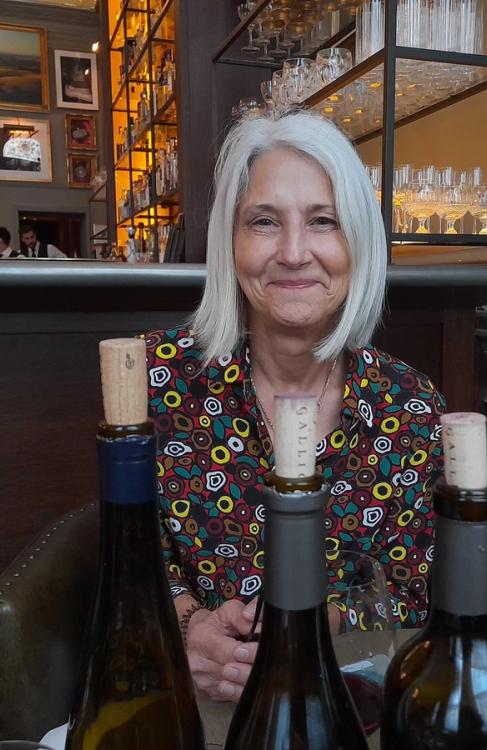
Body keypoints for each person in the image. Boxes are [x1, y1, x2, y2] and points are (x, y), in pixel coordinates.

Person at [145, 111, 446, 704]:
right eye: (263, 221)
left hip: (341, 698)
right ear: (230, 244)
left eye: (323, 221)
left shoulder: (412, 406)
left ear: (359, 242)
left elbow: (410, 594)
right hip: (191, 698)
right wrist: (189, 629)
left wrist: (308, 626)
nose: (292, 252)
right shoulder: (159, 378)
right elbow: (131, 555)